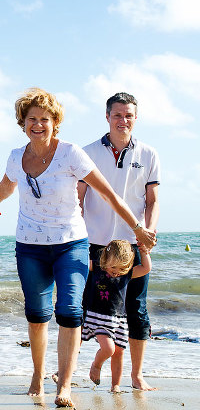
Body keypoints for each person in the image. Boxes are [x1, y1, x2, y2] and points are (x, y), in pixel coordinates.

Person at [0, 88, 155, 408]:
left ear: (55, 122)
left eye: (45, 119)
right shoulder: (15, 157)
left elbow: (108, 194)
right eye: (32, 119)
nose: (38, 125)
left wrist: (136, 228)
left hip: (70, 244)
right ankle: (37, 376)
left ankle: (64, 385)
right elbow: (6, 184)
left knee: (70, 311)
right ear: (23, 122)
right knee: (37, 316)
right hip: (30, 245)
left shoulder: (71, 153)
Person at [78, 91, 160, 391]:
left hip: (133, 242)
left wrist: (148, 233)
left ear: (135, 118)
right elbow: (79, 198)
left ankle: (136, 376)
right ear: (107, 117)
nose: (123, 120)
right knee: (83, 309)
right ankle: (69, 372)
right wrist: (77, 237)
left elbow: (152, 200)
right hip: (95, 243)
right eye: (117, 114)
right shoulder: (87, 152)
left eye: (128, 115)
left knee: (136, 309)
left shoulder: (149, 154)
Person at [82, 239, 152, 393]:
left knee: (119, 352)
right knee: (108, 349)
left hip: (119, 320)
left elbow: (146, 268)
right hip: (98, 317)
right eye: (113, 267)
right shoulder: (98, 267)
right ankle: (96, 364)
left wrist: (144, 251)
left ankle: (115, 385)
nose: (116, 272)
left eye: (121, 268)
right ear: (105, 260)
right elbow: (80, 262)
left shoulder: (127, 273)